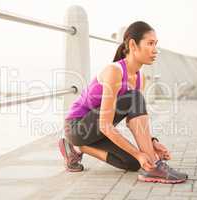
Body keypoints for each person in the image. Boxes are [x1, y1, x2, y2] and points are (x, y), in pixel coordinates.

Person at [58, 21, 188, 183]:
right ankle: (155, 166)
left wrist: (152, 143)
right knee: (134, 99)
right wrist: (141, 152)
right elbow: (106, 125)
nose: (155, 50)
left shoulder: (138, 78)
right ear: (133, 45)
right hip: (77, 127)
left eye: (156, 44)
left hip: (94, 130)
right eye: (150, 44)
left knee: (134, 163)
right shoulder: (114, 71)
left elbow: (135, 120)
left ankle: (78, 147)